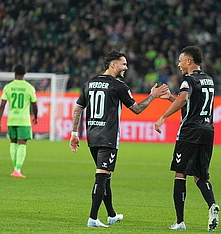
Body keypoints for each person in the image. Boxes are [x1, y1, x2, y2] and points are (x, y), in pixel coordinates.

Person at [69, 50, 168, 228]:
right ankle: (93, 218)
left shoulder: (90, 83)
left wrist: (74, 133)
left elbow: (78, 109)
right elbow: (137, 109)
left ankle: (111, 215)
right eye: (123, 64)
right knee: (101, 177)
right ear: (112, 65)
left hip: (92, 137)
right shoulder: (118, 85)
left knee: (105, 176)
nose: (126, 67)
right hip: (108, 137)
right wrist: (153, 95)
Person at [155, 46, 220, 232]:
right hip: (208, 131)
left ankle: (180, 221)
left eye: (181, 60)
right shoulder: (209, 79)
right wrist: (170, 98)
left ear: (189, 61)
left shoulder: (188, 80)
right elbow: (192, 104)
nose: (179, 64)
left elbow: (184, 99)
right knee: (200, 175)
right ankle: (212, 205)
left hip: (190, 132)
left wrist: (162, 117)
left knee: (180, 173)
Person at [0, 64, 38, 178]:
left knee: (13, 142)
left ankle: (15, 168)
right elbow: (34, 104)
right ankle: (17, 169)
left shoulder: (8, 87)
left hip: (12, 119)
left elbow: (2, 106)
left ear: (14, 73)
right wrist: (35, 116)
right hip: (24, 120)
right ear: (25, 74)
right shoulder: (29, 87)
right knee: (22, 143)